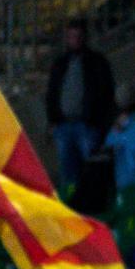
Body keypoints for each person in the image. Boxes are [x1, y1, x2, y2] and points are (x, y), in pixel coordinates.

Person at [45, 19, 116, 184]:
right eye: (71, 36)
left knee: (92, 169)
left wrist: (100, 120)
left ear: (85, 37)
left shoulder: (97, 62)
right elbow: (52, 92)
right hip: (63, 125)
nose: (75, 40)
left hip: (88, 124)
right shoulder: (60, 63)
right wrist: (53, 121)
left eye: (78, 36)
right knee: (68, 171)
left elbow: (105, 92)